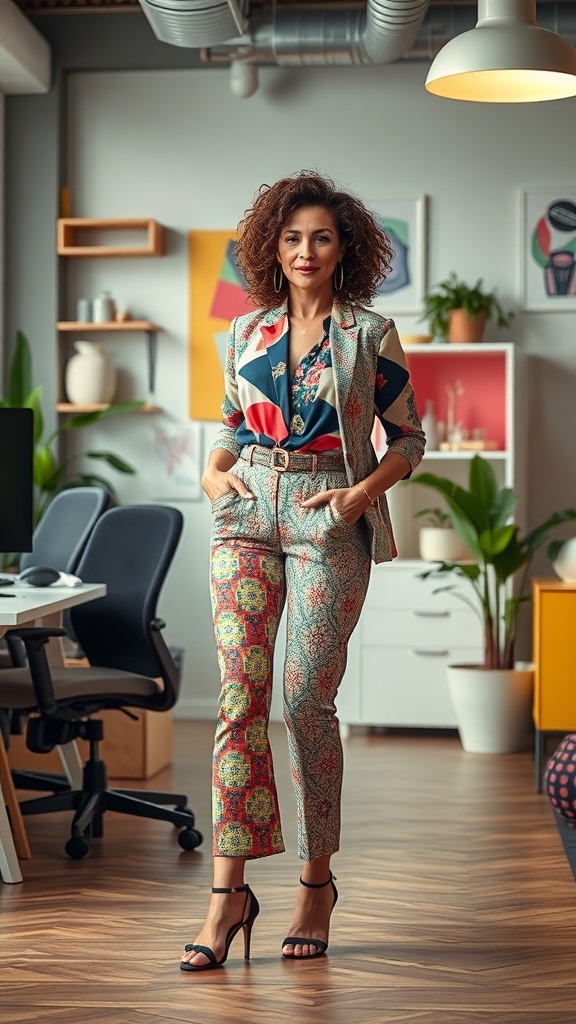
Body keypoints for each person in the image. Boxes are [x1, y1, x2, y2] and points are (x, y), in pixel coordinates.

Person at [180, 170, 426, 972]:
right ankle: (228, 895)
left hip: (329, 516)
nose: (305, 250)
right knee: (239, 692)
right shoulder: (245, 332)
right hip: (247, 512)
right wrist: (216, 474)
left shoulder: (370, 333)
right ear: (271, 249)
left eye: (320, 236)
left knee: (304, 698)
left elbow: (409, 440)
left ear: (344, 246)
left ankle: (316, 881)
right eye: (291, 238)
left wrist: (359, 495)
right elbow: (228, 423)